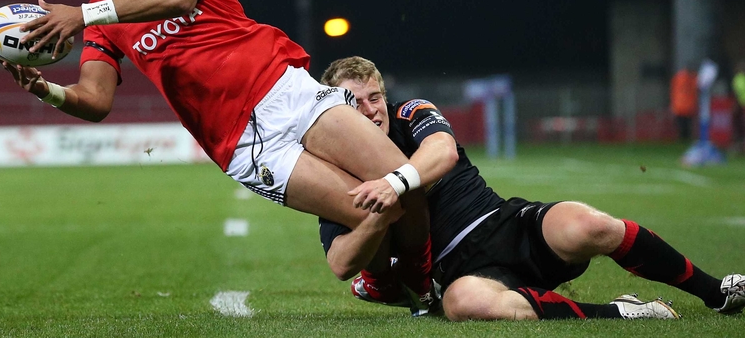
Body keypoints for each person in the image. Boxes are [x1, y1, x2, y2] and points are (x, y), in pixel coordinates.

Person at [0, 0, 436, 306]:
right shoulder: (102, 15)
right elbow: (95, 100)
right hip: (243, 143)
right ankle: (381, 284)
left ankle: (423, 285)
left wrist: (80, 14)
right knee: (371, 213)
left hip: (285, 90)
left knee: (407, 184)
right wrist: (47, 90)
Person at [317, 56, 745, 321]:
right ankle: (623, 313)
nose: (370, 109)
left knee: (588, 225)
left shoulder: (410, 112)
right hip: (458, 272)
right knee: (465, 307)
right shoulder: (340, 169)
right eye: (353, 103)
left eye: (373, 96)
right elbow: (339, 262)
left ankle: (716, 292)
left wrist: (396, 183)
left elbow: (443, 151)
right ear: (337, 112)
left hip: (505, 222)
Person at [671, 67, 698, 142]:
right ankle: (686, 138)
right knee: (687, 124)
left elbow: (673, 92)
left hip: (679, 105)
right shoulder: (693, 78)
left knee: (681, 124)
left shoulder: (677, 78)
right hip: (689, 106)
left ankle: (681, 138)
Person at [732, 61, 745, 154]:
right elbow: (737, 94)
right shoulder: (738, 79)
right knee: (740, 126)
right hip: (742, 106)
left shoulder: (738, 79)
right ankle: (739, 147)